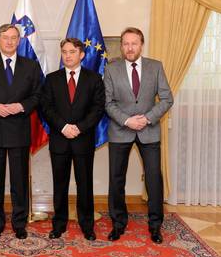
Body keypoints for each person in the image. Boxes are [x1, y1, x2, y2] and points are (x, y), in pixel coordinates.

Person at [104, 27, 173, 244]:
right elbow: (108, 102)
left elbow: (167, 99)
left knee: (154, 179)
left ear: (141, 44)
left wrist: (147, 118)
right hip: (120, 130)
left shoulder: (156, 66)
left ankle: (155, 226)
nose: (130, 47)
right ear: (122, 45)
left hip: (149, 130)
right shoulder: (111, 68)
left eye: (134, 43)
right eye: (125, 43)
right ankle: (118, 223)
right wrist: (127, 120)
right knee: (116, 179)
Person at [0, 24, 41, 240]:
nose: (10, 42)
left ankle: (19, 223)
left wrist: (21, 106)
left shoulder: (30, 66)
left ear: (19, 40)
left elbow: (38, 95)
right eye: (5, 38)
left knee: (19, 181)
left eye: (14, 38)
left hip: (19, 130)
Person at [41, 38, 105, 241]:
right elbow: (46, 108)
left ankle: (87, 225)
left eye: (72, 51)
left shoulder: (94, 79)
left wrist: (79, 127)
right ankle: (59, 224)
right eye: (64, 52)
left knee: (84, 185)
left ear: (82, 54)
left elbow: (98, 108)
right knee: (59, 184)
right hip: (59, 140)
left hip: (83, 140)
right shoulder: (52, 79)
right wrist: (63, 127)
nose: (67, 55)